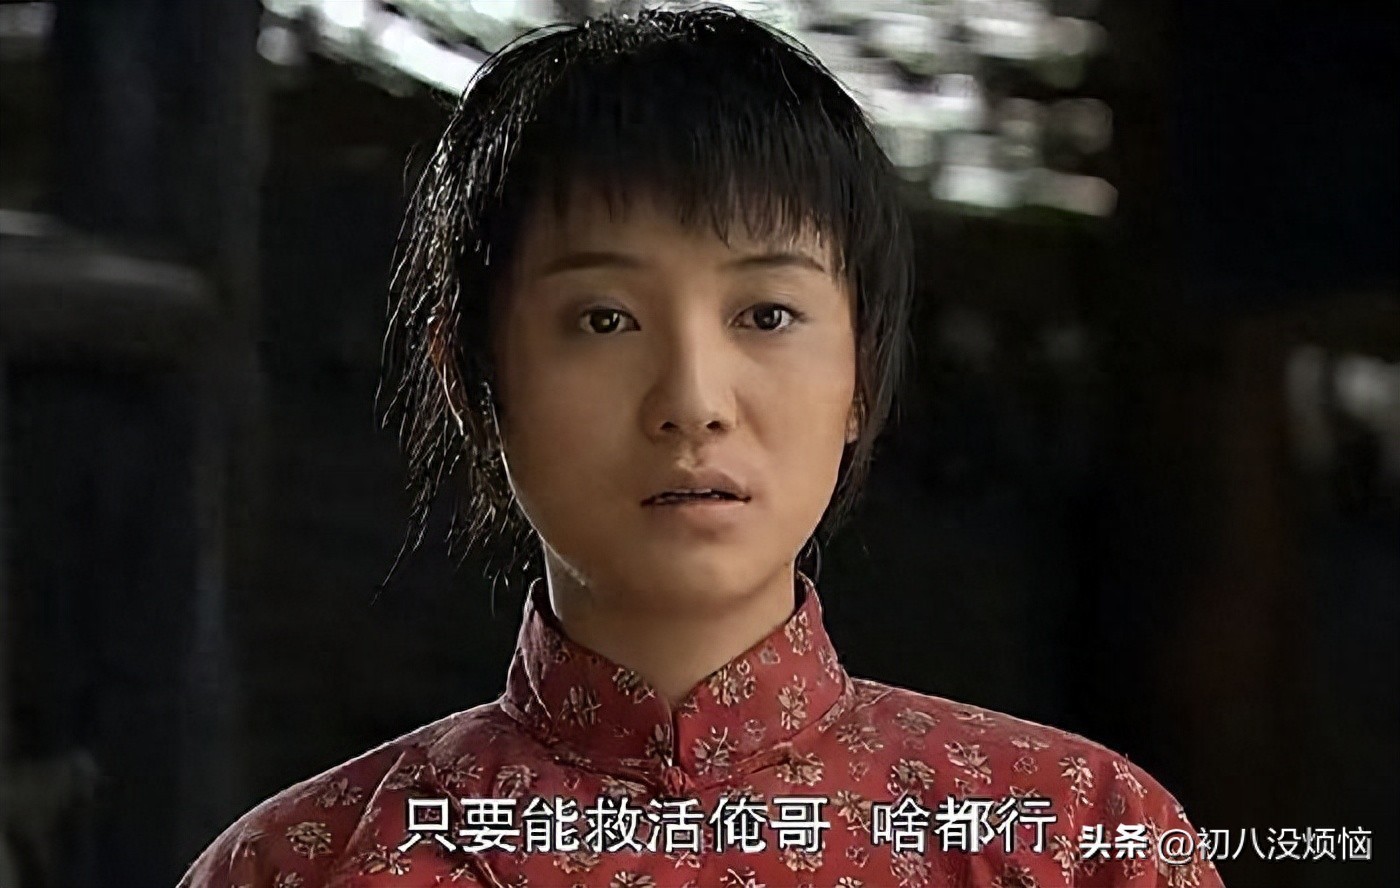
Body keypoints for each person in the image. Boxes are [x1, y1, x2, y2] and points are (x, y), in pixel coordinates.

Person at [181, 6, 1224, 887]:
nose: (692, 402)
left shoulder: (1078, 839)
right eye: (604, 319)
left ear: (862, 374)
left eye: (766, 315)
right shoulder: (304, 865)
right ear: (473, 385)